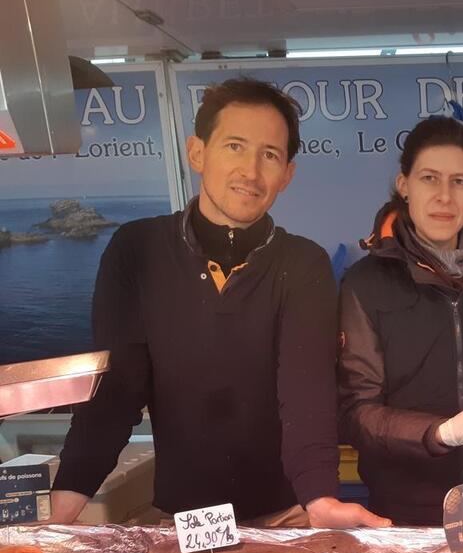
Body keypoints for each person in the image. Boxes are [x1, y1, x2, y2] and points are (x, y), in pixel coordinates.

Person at [48, 78, 389, 529]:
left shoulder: (303, 263)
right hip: (182, 521)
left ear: (287, 174)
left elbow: (306, 395)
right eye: (234, 146)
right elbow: (117, 391)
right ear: (197, 153)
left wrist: (320, 499)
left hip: (285, 515)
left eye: (269, 155)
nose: (250, 170)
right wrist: (66, 501)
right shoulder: (137, 250)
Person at [338, 116, 463, 526]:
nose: (444, 196)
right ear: (404, 185)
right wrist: (442, 433)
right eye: (430, 178)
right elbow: (358, 413)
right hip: (405, 512)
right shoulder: (365, 283)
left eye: (458, 181)